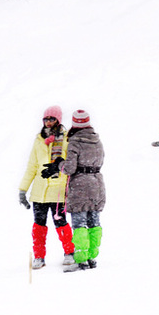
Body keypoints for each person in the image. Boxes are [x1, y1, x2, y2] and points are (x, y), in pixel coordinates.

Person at [41, 109, 105, 272]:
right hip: (97, 184)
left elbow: (69, 168)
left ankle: (81, 259)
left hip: (80, 186)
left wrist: (59, 164)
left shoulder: (75, 141)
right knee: (94, 222)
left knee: (79, 224)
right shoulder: (97, 140)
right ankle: (92, 256)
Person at [18, 105, 75, 269]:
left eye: (52, 119)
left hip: (58, 190)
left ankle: (69, 253)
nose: (48, 122)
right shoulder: (39, 141)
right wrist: (23, 190)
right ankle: (39, 257)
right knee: (39, 225)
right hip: (39, 192)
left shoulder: (65, 138)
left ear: (58, 120)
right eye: (46, 119)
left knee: (61, 223)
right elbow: (32, 167)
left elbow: (69, 164)